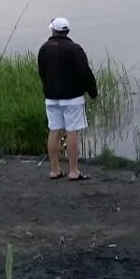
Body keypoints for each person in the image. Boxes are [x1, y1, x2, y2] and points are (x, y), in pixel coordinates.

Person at [37, 16, 97, 181]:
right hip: (73, 99)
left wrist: (47, 88)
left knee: (54, 130)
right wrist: (93, 92)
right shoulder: (75, 49)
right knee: (72, 132)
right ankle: (73, 171)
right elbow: (85, 73)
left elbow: (42, 73)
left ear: (53, 30)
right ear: (67, 31)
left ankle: (54, 170)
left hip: (51, 98)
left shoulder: (44, 49)